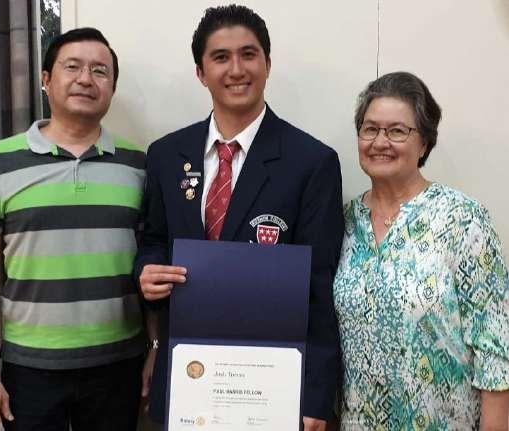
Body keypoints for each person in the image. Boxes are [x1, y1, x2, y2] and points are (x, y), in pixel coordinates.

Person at [135, 4, 343, 430]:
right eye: (220, 57)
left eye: (249, 54)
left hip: (271, 382)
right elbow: (153, 239)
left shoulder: (311, 162)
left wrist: (316, 395)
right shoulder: (166, 154)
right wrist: (146, 271)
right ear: (201, 72)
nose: (236, 69)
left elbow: (321, 286)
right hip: (188, 373)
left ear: (268, 64)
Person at [0, 28, 146, 431]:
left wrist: (154, 347)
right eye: (73, 67)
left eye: (100, 71)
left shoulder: (138, 164)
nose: (86, 79)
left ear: (112, 88)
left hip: (119, 364)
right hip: (30, 366)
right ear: (46, 79)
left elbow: (150, 261)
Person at [334, 71, 509, 429]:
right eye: (370, 129)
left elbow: (495, 349)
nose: (380, 142)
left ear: (424, 143)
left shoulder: (461, 219)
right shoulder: (342, 223)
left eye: (397, 131)